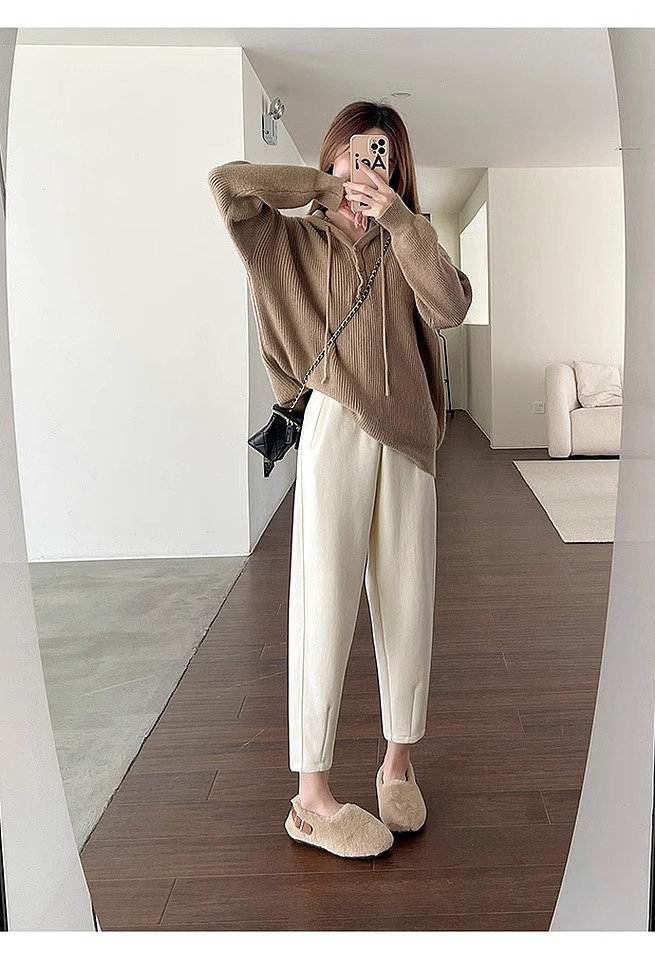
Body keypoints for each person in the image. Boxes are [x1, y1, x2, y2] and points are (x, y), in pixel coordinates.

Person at [208, 99, 472, 859]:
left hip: (411, 438)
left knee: (408, 599)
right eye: (355, 152)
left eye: (381, 154)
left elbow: (452, 307)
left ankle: (398, 765)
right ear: (330, 157)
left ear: (400, 169)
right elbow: (227, 186)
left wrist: (400, 220)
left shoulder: (411, 238)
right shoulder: (293, 240)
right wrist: (326, 189)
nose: (367, 167)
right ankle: (311, 797)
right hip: (335, 426)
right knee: (322, 599)